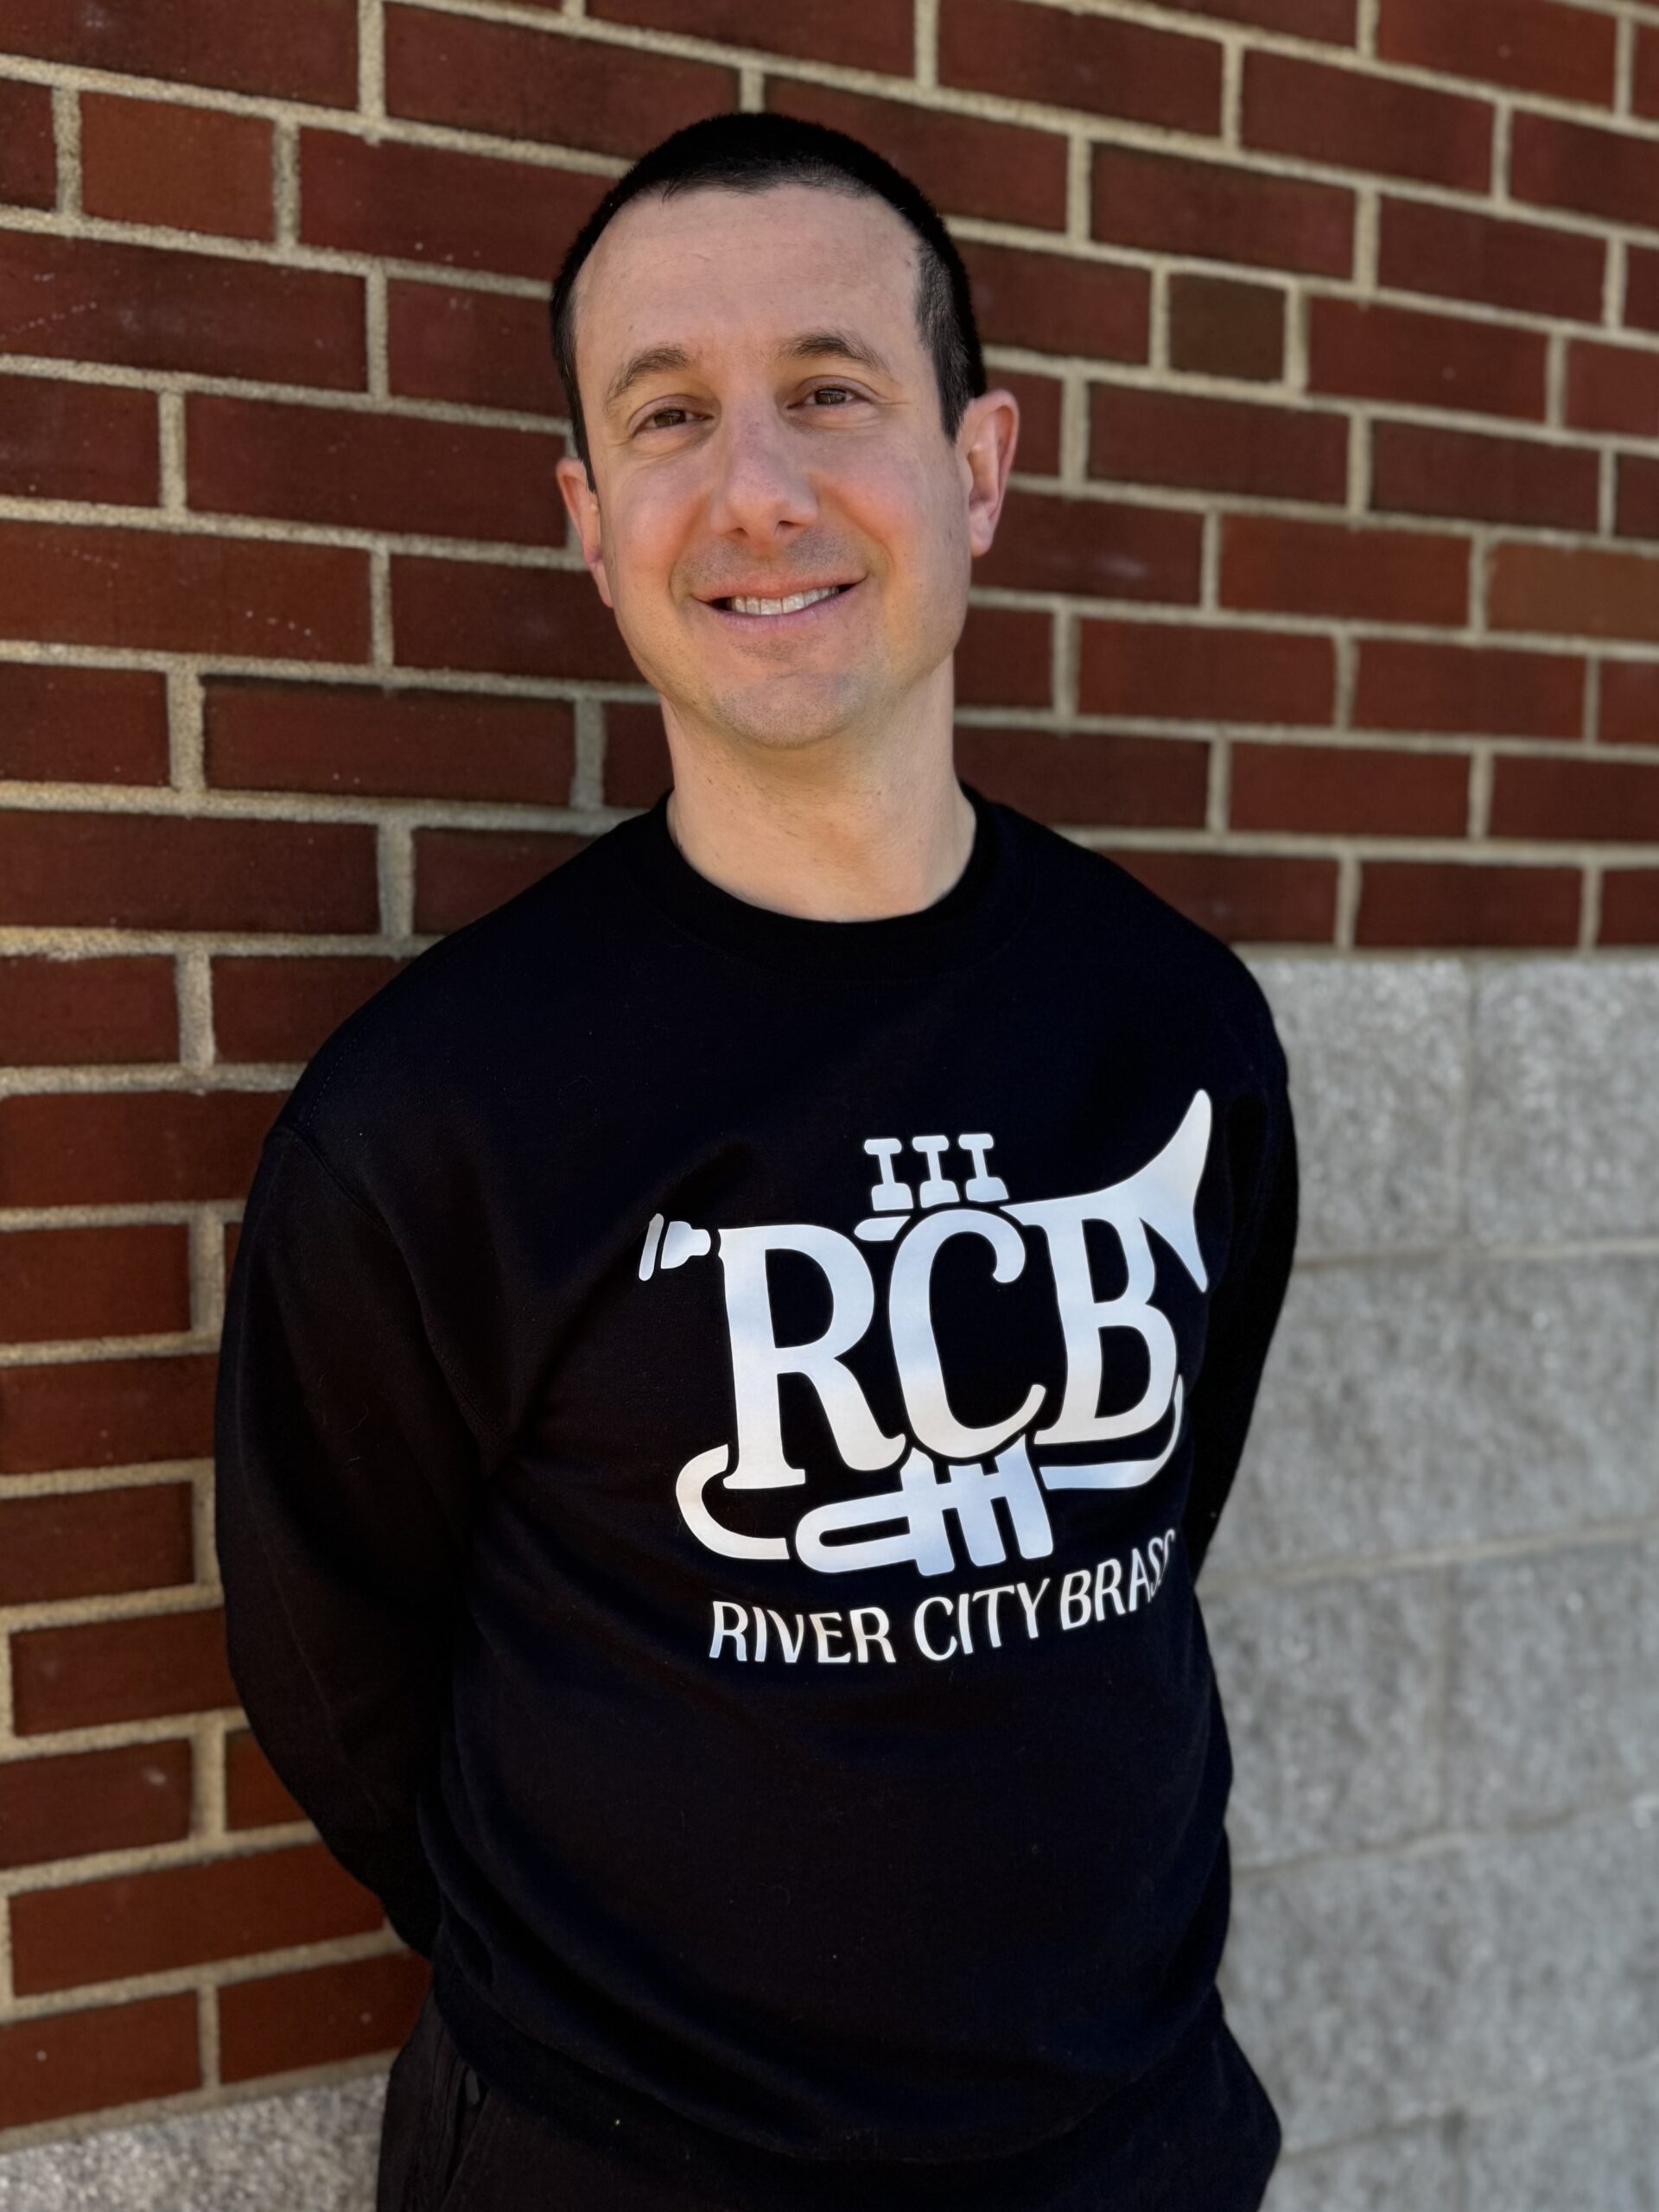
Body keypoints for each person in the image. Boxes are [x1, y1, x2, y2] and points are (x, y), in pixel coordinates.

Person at [213, 109, 1298, 2212]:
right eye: (670, 416)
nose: (758, 488)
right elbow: (336, 1665)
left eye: (828, 390)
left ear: (977, 468)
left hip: (1131, 2144)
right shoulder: (434, 1110)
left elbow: (1167, 1495)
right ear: (590, 516)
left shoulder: (1174, 1028)